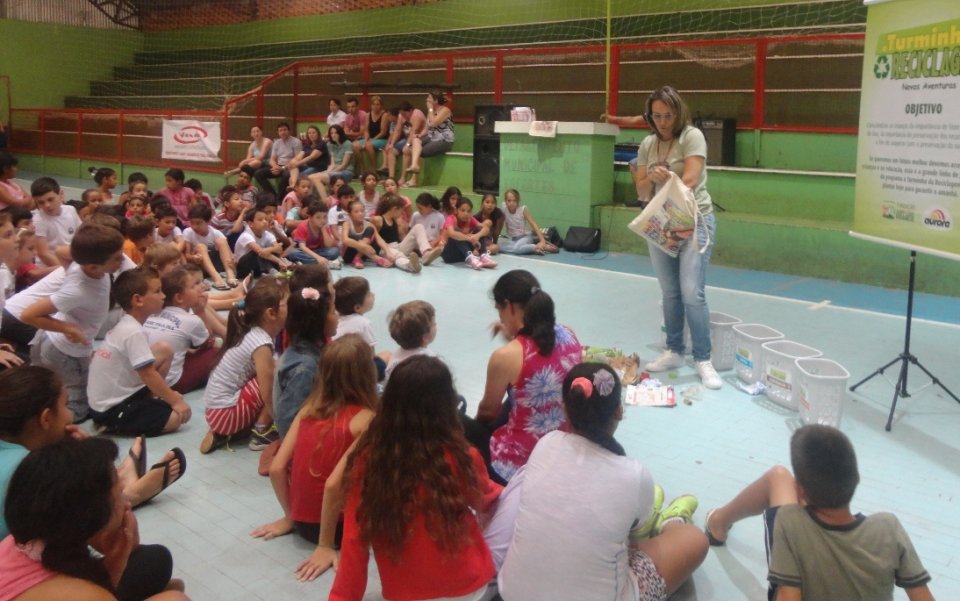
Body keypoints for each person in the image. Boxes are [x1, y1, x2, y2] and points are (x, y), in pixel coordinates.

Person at [495, 363, 708, 601]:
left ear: (565, 409)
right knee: (694, 539)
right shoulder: (633, 474)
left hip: (513, 594)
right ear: (619, 410)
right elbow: (633, 542)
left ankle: (651, 514)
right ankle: (672, 521)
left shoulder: (546, 443)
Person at [328, 355, 502, 601]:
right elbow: (485, 500)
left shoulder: (369, 462)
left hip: (406, 593)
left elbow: (354, 543)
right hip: (469, 584)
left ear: (389, 403)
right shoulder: (462, 456)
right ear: (447, 404)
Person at [704, 424, 935, 601]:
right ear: (856, 479)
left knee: (778, 476)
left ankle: (717, 524)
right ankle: (718, 522)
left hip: (799, 532)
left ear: (800, 491)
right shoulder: (888, 527)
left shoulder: (790, 521)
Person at [1, 437, 188, 601]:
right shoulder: (83, 594)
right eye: (120, 492)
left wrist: (116, 561)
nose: (127, 504)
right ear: (91, 517)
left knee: (154, 562)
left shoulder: (25, 541)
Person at [251, 335, 377, 545]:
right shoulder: (366, 420)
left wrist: (290, 517)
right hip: (339, 528)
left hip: (302, 523)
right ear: (367, 374)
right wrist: (325, 545)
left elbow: (276, 468)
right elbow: (332, 485)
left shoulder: (308, 410)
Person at [635, 86, 721, 390]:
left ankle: (702, 358)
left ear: (678, 113)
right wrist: (650, 179)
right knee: (669, 291)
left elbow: (691, 178)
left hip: (694, 220)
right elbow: (642, 191)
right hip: (661, 224)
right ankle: (674, 350)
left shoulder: (691, 137)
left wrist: (667, 177)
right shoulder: (647, 145)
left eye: (668, 115)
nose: (662, 122)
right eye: (656, 116)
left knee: (691, 292)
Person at [466, 269, 583, 483]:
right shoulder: (569, 334)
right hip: (563, 444)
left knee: (463, 424)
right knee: (516, 395)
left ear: (509, 306)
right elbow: (540, 354)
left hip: (518, 463)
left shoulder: (506, 356)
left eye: (499, 310)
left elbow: (487, 413)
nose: (500, 317)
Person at [20, 225, 126, 422]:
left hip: (63, 346)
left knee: (48, 389)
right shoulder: (78, 289)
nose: (123, 260)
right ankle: (46, 427)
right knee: (78, 409)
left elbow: (62, 251)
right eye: (117, 258)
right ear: (94, 266)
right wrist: (67, 328)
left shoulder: (80, 264)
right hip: (63, 351)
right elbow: (28, 315)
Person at [86, 268, 191, 437]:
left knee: (164, 349)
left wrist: (169, 395)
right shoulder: (133, 331)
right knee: (176, 418)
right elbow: (147, 374)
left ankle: (149, 400)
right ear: (138, 300)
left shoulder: (127, 323)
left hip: (107, 400)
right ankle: (113, 424)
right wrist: (175, 400)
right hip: (111, 408)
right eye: (157, 291)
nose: (163, 296)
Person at [200, 275, 288, 454]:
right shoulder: (260, 343)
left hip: (215, 412)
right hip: (225, 414)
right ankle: (262, 431)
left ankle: (230, 432)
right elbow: (267, 392)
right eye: (288, 304)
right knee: (280, 373)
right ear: (271, 313)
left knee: (275, 367)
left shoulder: (251, 331)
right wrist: (282, 425)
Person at [270, 263, 336, 438]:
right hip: (302, 445)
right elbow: (287, 420)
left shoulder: (310, 346)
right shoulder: (305, 367)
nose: (337, 317)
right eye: (333, 312)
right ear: (319, 320)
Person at [143, 266, 223, 395]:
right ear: (179, 298)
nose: (200, 287)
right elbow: (207, 342)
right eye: (194, 286)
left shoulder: (152, 314)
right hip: (172, 383)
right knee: (216, 352)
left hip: (145, 378)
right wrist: (201, 311)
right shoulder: (191, 320)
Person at [400, 90, 455, 188]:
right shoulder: (430, 112)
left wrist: (430, 109)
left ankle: (414, 180)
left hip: (444, 140)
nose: (426, 100)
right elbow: (426, 129)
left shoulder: (445, 110)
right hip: (432, 137)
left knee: (419, 152)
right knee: (415, 140)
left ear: (436, 101)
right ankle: (414, 166)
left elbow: (433, 123)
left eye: (429, 99)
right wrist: (419, 136)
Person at [183, 203, 238, 289]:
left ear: (208, 222)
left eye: (198, 223)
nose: (194, 226)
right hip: (199, 265)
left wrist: (233, 259)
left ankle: (230, 275)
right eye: (192, 223)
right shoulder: (188, 232)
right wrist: (194, 257)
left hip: (215, 263)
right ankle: (217, 279)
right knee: (201, 246)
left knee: (221, 241)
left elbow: (230, 254)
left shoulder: (215, 233)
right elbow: (187, 255)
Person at [371, 194, 430, 273]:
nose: (402, 213)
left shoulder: (395, 220)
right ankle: (409, 265)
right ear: (395, 209)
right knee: (398, 255)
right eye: (401, 211)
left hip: (397, 246)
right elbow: (372, 238)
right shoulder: (378, 220)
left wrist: (412, 243)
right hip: (384, 250)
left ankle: (426, 253)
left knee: (418, 227)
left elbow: (402, 238)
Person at [31, 176, 81, 267]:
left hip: (71, 259)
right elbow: (44, 254)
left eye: (50, 199)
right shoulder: (38, 220)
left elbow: (80, 235)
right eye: (41, 202)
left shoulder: (71, 210)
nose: (47, 205)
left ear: (61, 195)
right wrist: (65, 270)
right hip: (51, 265)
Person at [383, 300, 436, 382]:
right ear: (425, 336)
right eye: (434, 324)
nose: (436, 326)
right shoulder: (430, 362)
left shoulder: (396, 356)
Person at [438, 196, 496, 269]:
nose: (466, 213)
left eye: (468, 211)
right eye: (462, 210)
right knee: (457, 234)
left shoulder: (470, 219)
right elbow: (451, 233)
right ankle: (471, 258)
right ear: (456, 210)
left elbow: (486, 228)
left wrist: (476, 236)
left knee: (479, 230)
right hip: (449, 255)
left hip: (462, 256)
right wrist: (469, 238)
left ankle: (483, 256)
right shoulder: (451, 218)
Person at [233, 206, 289, 279]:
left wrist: (269, 249)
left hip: (258, 264)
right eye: (260, 220)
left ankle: (271, 271)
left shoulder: (268, 234)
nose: (265, 222)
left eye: (265, 219)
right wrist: (278, 260)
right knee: (256, 253)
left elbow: (279, 250)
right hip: (244, 267)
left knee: (269, 251)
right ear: (251, 224)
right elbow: (260, 252)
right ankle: (269, 271)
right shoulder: (246, 236)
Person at [498, 188, 557, 255]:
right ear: (505, 201)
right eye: (509, 201)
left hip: (525, 237)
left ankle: (536, 247)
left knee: (517, 249)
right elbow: (500, 223)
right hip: (513, 239)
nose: (512, 203)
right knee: (499, 247)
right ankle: (528, 249)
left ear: (518, 201)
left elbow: (533, 224)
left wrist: (542, 241)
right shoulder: (503, 207)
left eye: (514, 201)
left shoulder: (522, 210)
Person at [254, 122, 303, 196]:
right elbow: (272, 159)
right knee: (258, 174)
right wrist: (275, 166)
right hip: (279, 166)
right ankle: (272, 194)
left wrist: (283, 168)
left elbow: (297, 159)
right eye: (280, 130)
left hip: (291, 167)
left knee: (286, 176)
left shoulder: (296, 142)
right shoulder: (276, 143)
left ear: (289, 131)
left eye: (285, 130)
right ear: (278, 132)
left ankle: (280, 198)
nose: (283, 132)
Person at [340, 199, 391, 269]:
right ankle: (375, 258)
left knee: (370, 230)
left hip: (364, 255)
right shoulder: (347, 224)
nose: (360, 213)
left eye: (362, 211)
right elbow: (345, 240)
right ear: (350, 214)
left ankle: (357, 258)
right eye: (356, 212)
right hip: (348, 255)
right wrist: (363, 246)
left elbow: (379, 239)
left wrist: (388, 252)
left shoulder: (368, 224)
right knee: (352, 239)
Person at [384, 101, 426, 183]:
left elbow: (414, 131)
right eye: (401, 114)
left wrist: (407, 144)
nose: (403, 116)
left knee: (406, 150)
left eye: (404, 114)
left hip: (419, 138)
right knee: (391, 150)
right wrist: (391, 144)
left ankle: (403, 178)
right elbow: (398, 130)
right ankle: (391, 178)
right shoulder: (401, 115)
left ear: (410, 110)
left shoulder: (417, 114)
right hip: (407, 138)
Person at [307, 124, 354, 196]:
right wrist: (328, 171)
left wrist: (328, 173)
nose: (333, 135)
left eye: (336, 133)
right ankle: (312, 200)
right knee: (310, 178)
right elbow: (332, 164)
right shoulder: (330, 144)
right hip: (334, 170)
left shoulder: (347, 144)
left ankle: (325, 202)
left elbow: (343, 165)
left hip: (346, 172)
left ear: (340, 133)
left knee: (315, 178)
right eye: (331, 133)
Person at [285, 125, 329, 190]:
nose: (311, 135)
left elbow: (312, 157)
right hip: (309, 167)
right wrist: (291, 163)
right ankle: (293, 186)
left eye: (313, 132)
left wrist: (297, 164)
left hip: (319, 168)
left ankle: (294, 186)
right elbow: (299, 157)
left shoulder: (321, 144)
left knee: (299, 177)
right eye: (309, 133)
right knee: (292, 169)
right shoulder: (307, 145)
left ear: (318, 134)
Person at [357, 95, 389, 172]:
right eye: (373, 104)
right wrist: (366, 139)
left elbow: (383, 132)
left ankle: (374, 169)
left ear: (381, 105)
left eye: (377, 104)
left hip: (382, 139)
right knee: (354, 146)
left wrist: (372, 140)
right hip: (370, 138)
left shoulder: (384, 115)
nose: (375, 107)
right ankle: (363, 168)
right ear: (371, 105)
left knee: (368, 145)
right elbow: (366, 130)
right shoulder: (368, 115)